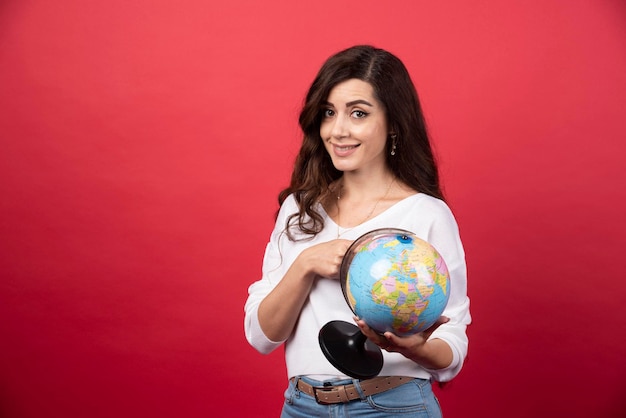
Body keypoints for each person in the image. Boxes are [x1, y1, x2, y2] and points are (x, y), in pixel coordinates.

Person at [244, 45, 471, 417]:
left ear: (394, 125)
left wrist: (411, 347)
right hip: (303, 407)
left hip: (393, 405)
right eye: (329, 113)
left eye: (358, 113)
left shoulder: (426, 214)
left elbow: (451, 349)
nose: (338, 130)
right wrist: (305, 263)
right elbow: (261, 336)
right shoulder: (300, 210)